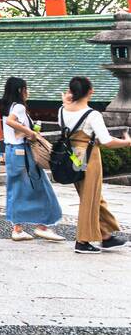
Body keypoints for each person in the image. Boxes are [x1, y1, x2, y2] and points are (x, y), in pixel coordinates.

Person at [60, 75, 131, 253]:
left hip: (74, 156)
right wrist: (127, 142)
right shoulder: (92, 114)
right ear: (90, 92)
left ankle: (105, 235)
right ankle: (82, 241)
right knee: (89, 199)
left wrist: (66, 103)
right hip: (89, 156)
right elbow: (106, 141)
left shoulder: (62, 111)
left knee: (91, 196)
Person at [0, 77, 64, 242]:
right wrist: (31, 133)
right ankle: (42, 225)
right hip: (22, 152)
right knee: (41, 186)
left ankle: (18, 228)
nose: (28, 92)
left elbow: (9, 126)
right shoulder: (19, 107)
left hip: (11, 152)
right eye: (26, 89)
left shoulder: (7, 107)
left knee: (16, 189)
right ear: (21, 90)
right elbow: (11, 122)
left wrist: (26, 130)